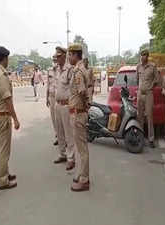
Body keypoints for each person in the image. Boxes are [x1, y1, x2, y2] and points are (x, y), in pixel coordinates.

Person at [0, 46, 20, 190]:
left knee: (3, 148)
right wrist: (15, 118)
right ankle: (2, 180)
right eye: (7, 58)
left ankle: (5, 173)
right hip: (3, 116)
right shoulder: (1, 76)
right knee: (4, 150)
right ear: (5, 58)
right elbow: (7, 99)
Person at [68, 43, 90, 192]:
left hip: (78, 113)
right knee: (79, 146)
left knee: (81, 148)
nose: (69, 57)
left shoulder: (78, 72)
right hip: (77, 111)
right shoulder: (79, 70)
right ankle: (82, 173)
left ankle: (84, 180)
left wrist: (84, 106)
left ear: (76, 55)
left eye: (70, 54)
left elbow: (82, 91)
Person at [53, 46, 75, 171]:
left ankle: (71, 158)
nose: (57, 58)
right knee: (59, 132)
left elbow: (73, 89)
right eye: (56, 56)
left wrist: (72, 105)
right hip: (57, 104)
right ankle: (62, 154)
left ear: (65, 56)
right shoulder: (57, 70)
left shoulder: (69, 70)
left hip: (66, 105)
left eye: (59, 56)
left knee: (68, 133)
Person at [136, 49, 161, 148]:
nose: (143, 57)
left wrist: (151, 86)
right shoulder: (138, 67)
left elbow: (157, 79)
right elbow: (137, 79)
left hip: (149, 94)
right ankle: (140, 137)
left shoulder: (152, 66)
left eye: (145, 55)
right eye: (142, 55)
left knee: (150, 116)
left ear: (147, 56)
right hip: (140, 93)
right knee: (140, 116)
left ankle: (151, 139)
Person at [47, 55, 58, 146]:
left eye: (56, 59)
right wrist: (47, 98)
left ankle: (64, 137)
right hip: (51, 96)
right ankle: (57, 135)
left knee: (60, 119)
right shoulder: (49, 70)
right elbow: (48, 84)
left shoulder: (61, 70)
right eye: (53, 59)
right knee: (53, 118)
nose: (54, 61)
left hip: (59, 98)